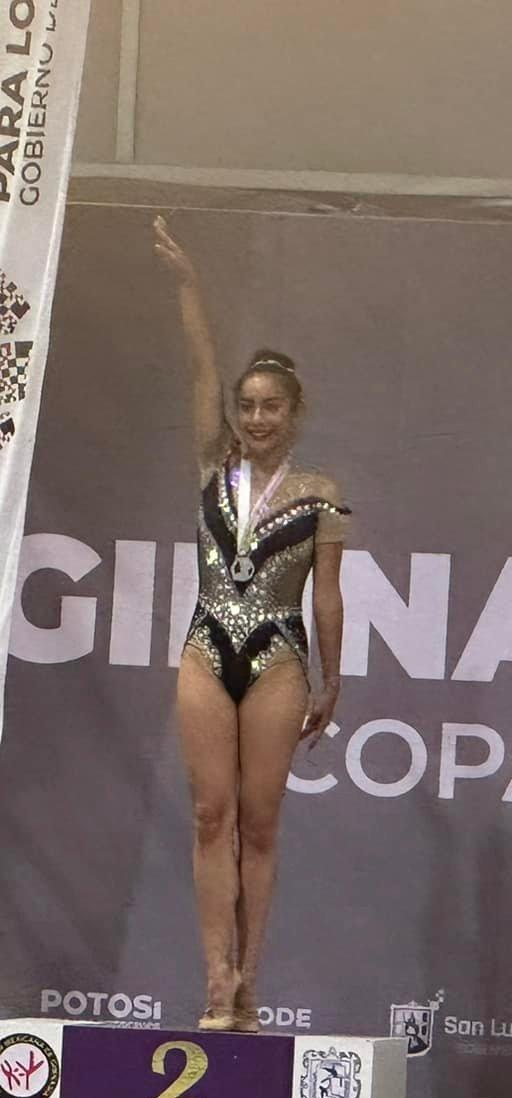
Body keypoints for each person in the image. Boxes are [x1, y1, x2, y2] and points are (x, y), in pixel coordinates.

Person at [152, 218, 347, 1033]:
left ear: (295, 413)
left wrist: (332, 680)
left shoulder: (318, 491)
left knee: (260, 822)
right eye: (247, 404)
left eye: (271, 406)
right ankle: (212, 979)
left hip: (277, 655)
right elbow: (200, 364)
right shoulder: (212, 466)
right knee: (210, 815)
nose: (256, 417)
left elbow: (327, 595)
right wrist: (190, 285)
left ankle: (250, 982)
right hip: (207, 644)